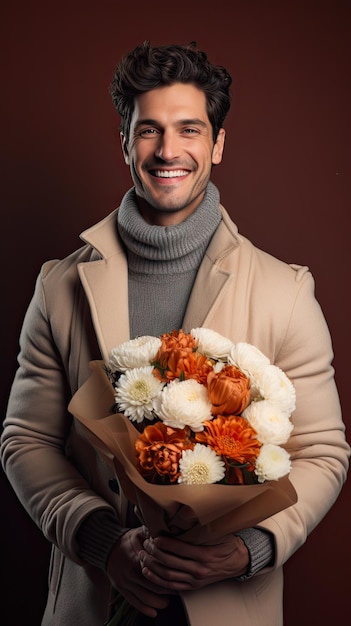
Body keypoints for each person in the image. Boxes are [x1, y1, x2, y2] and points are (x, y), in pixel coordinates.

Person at [1, 41, 349, 626]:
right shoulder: (58, 286)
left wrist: (249, 550)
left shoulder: (286, 291)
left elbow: (321, 452)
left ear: (217, 143)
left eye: (190, 129)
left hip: (229, 603)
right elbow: (25, 440)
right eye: (148, 131)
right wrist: (104, 543)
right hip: (93, 600)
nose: (168, 151)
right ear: (124, 142)